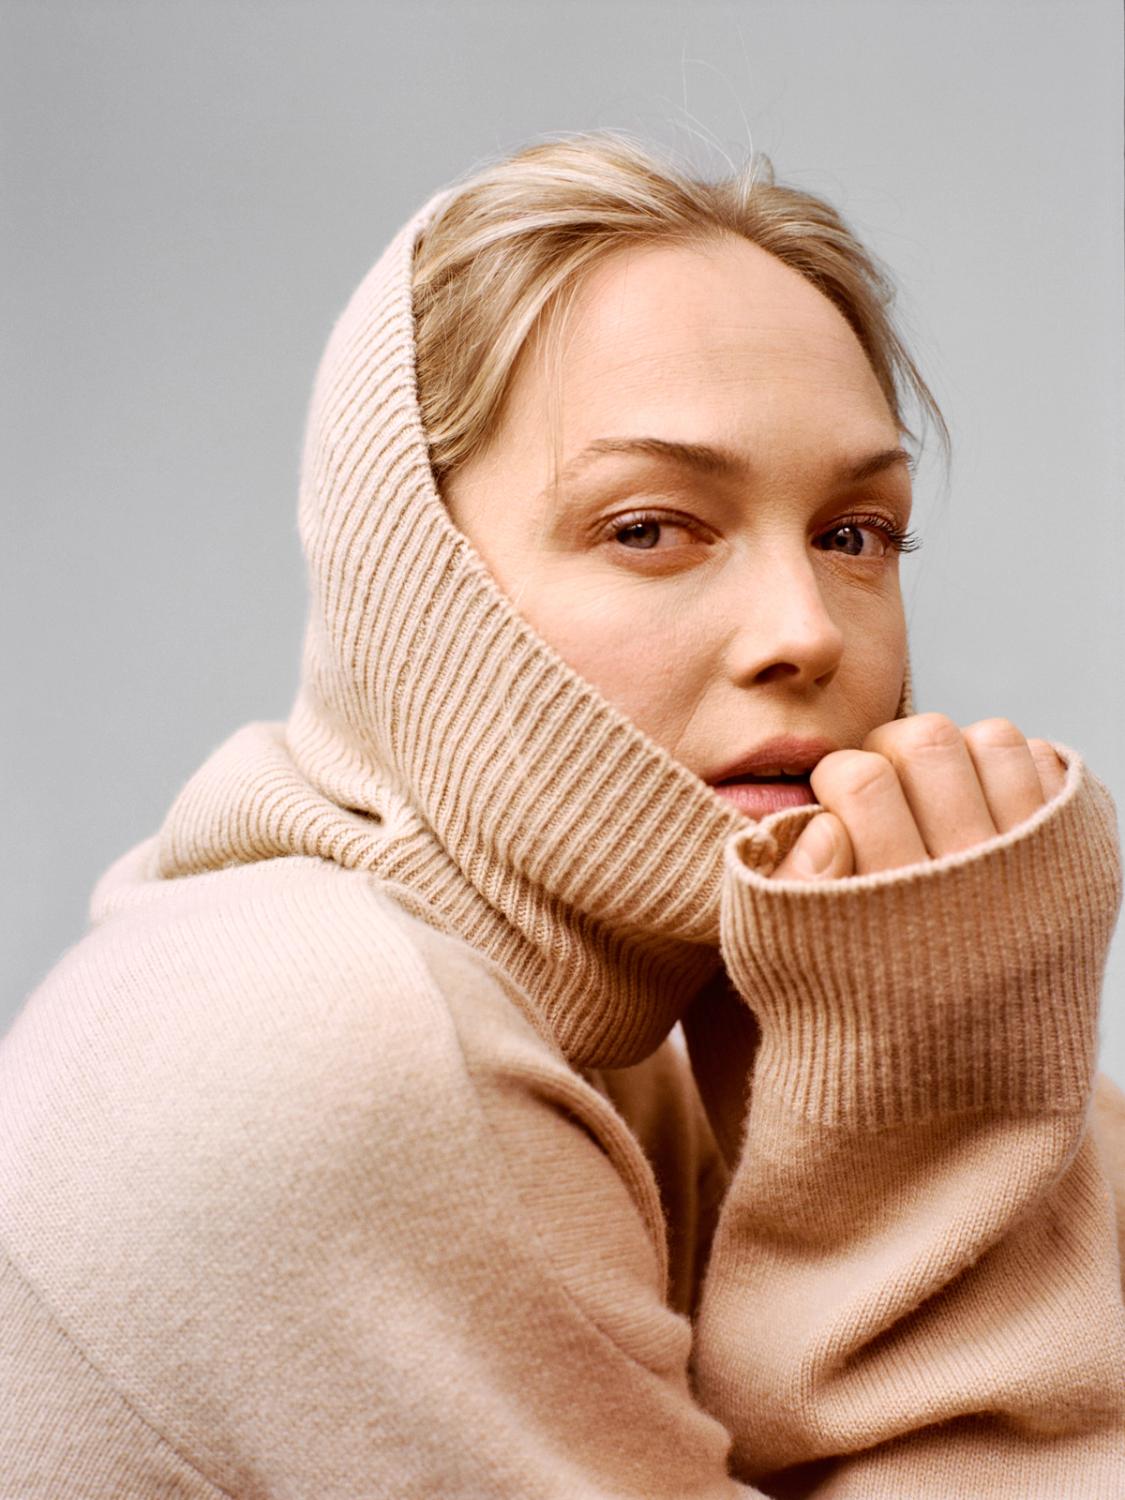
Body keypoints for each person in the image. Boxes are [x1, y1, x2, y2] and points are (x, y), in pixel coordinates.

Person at [1, 132, 1123, 1498]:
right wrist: (944, 1136)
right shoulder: (325, 1040)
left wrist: (952, 1049)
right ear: (415, 581)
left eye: (852, 534)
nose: (802, 634)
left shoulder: (675, 1037)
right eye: (648, 528)